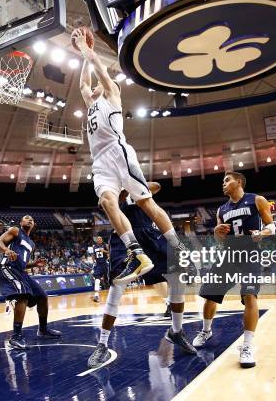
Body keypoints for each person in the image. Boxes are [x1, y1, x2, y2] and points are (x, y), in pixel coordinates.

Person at [72, 28, 185, 286]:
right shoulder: (92, 104)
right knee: (106, 202)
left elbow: (98, 67)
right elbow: (82, 84)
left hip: (117, 150)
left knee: (146, 204)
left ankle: (178, 247)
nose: (97, 85)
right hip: (99, 161)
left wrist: (86, 49)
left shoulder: (112, 93)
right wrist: (82, 56)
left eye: (102, 83)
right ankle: (136, 254)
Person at [87, 183, 197, 368]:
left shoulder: (133, 179)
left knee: (177, 277)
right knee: (117, 287)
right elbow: (104, 202)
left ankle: (176, 331)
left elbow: (155, 186)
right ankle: (102, 345)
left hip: (150, 233)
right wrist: (124, 190)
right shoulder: (109, 188)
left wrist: (134, 186)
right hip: (124, 238)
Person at [192, 172, 275, 369]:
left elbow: (272, 226)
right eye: (222, 181)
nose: (223, 184)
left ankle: (247, 346)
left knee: (249, 296)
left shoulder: (256, 199)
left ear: (239, 182)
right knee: (210, 296)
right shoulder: (222, 209)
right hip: (228, 255)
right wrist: (215, 233)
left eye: (227, 180)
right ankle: (206, 331)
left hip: (250, 254)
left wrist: (261, 233)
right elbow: (221, 238)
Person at [0, 215, 62, 350]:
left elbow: (23, 264)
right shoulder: (15, 231)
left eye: (31, 219)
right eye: (26, 218)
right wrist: (7, 250)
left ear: (34, 224)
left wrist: (34, 264)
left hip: (21, 271)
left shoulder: (31, 243)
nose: (29, 220)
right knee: (22, 295)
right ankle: (16, 337)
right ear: (21, 222)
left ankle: (43, 330)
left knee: (42, 296)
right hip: (7, 267)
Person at [91, 236, 109, 303]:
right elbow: (93, 254)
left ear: (102, 240)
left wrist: (103, 251)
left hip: (104, 264)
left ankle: (111, 293)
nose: (99, 240)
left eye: (100, 239)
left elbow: (109, 252)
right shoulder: (94, 246)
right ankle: (96, 295)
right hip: (98, 264)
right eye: (98, 239)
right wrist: (93, 261)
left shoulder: (105, 245)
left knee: (107, 279)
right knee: (97, 278)